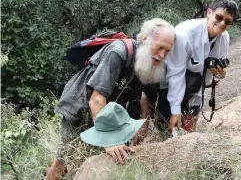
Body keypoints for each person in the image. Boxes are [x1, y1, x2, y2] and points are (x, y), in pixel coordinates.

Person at [46, 18, 175, 180]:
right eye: (159, 47)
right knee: (65, 158)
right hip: (80, 107)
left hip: (107, 111)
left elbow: (146, 95)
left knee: (111, 160)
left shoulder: (150, 62)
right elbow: (96, 99)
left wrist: (143, 125)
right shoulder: (118, 52)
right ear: (145, 39)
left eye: (168, 51)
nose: (162, 55)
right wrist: (109, 142)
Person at [157, 0, 238, 132]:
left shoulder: (224, 38)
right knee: (166, 129)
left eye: (228, 21)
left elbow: (207, 75)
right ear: (209, 12)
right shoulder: (185, 34)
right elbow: (175, 73)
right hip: (168, 84)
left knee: (189, 126)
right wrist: (175, 109)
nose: (222, 23)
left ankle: (189, 130)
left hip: (193, 85)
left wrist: (221, 74)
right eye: (219, 17)